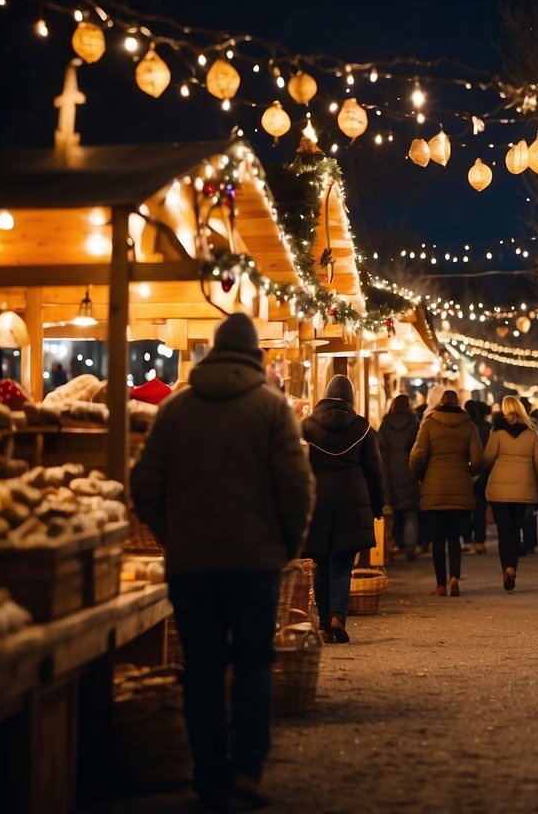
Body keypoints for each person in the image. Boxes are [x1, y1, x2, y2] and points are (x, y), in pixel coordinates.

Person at [130, 313, 314, 809]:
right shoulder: (272, 408)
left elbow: (143, 485)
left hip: (192, 565)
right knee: (255, 664)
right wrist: (286, 547)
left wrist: (174, 536)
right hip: (256, 565)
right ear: (256, 355)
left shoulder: (177, 409)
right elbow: (297, 488)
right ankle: (247, 772)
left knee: (203, 668)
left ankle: (208, 774)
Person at [301, 375, 386, 644]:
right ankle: (338, 615)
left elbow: (298, 466)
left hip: (318, 503)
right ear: (350, 398)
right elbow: (375, 471)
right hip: (352, 502)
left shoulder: (307, 426)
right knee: (342, 566)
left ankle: (325, 624)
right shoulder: (362, 427)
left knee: (321, 566)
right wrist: (377, 505)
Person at [410, 389, 483, 596]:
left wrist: (421, 475)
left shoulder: (429, 424)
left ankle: (440, 584)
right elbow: (478, 460)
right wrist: (469, 474)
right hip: (460, 486)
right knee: (454, 537)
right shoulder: (469, 426)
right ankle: (454, 578)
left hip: (434, 487)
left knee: (437, 538)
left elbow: (417, 456)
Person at [483, 396, 538, 591]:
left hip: (500, 488)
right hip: (523, 486)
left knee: (504, 532)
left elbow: (488, 458)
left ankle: (507, 568)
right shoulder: (532, 432)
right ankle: (513, 566)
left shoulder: (497, 431)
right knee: (515, 529)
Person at [379, 394, 421, 561]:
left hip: (391, 474)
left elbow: (381, 452)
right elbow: (418, 450)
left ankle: (393, 545)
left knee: (392, 514)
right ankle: (411, 546)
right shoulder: (414, 424)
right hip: (409, 473)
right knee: (411, 514)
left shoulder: (385, 425)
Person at [463, 399, 493, 555]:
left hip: (466, 472)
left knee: (466, 508)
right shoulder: (488, 428)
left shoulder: (465, 427)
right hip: (484, 472)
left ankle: (468, 540)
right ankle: (480, 541)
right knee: (480, 507)